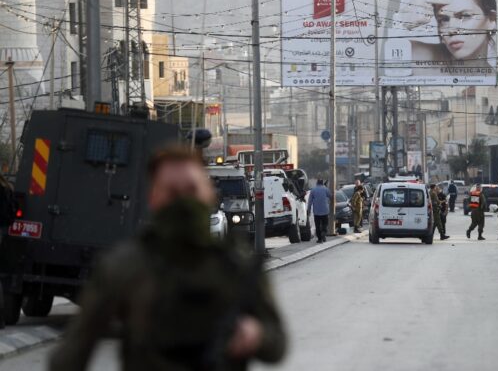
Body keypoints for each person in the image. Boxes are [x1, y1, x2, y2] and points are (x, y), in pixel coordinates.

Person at [50, 146, 286, 371]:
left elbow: (277, 345)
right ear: (154, 197)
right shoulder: (126, 266)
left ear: (209, 194)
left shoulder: (238, 265)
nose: (183, 202)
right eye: (172, 192)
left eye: (191, 190)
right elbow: (72, 354)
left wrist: (256, 334)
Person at [401, 0, 497, 75]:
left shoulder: (495, 79)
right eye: (444, 20)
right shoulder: (418, 56)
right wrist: (401, 22)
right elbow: (390, 50)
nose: (451, 30)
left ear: (491, 19)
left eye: (465, 16)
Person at [309, 179, 332, 243]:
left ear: (317, 183)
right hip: (325, 211)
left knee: (317, 225)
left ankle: (320, 239)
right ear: (322, 183)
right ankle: (323, 234)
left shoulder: (313, 190)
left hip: (316, 212)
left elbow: (310, 201)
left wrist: (308, 210)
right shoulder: (326, 189)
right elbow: (330, 196)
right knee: (325, 224)